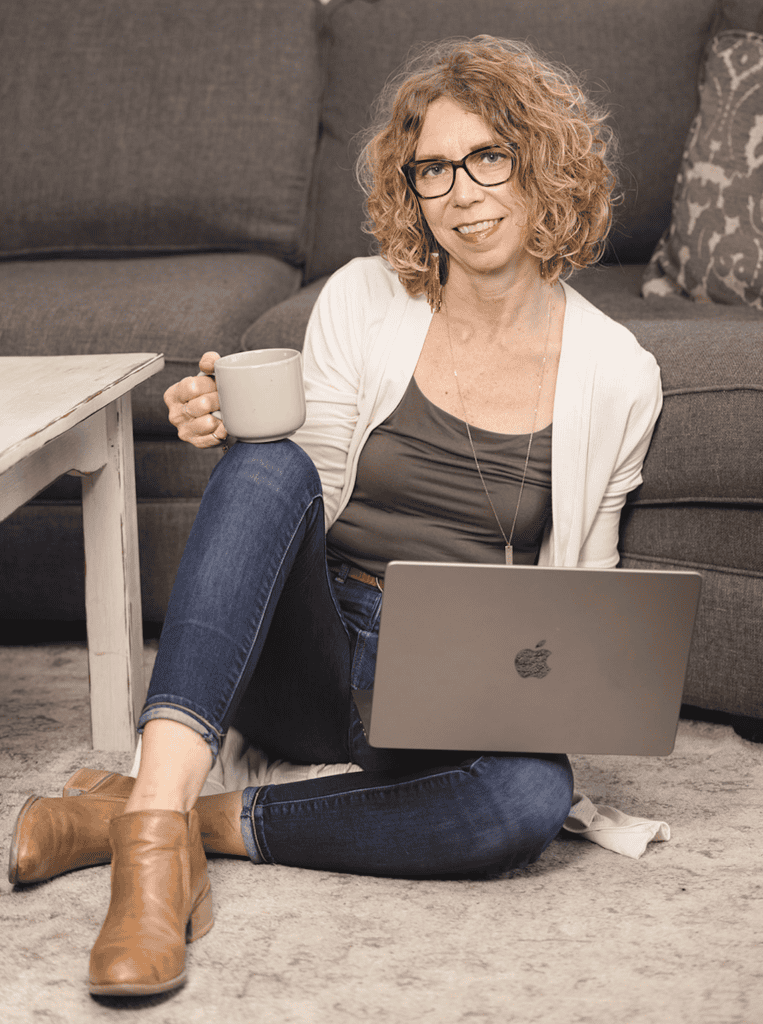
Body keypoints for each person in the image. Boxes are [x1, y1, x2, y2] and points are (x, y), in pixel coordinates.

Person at [9, 36, 662, 998]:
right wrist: (233, 431)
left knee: (527, 798)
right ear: (413, 189)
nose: (463, 193)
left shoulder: (620, 375)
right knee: (265, 466)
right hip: (308, 649)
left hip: (447, 681)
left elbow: (580, 601)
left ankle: (159, 820)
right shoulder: (364, 300)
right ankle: (149, 859)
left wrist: (543, 694)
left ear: (541, 166)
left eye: (489, 156)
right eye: (433, 169)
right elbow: (292, 490)